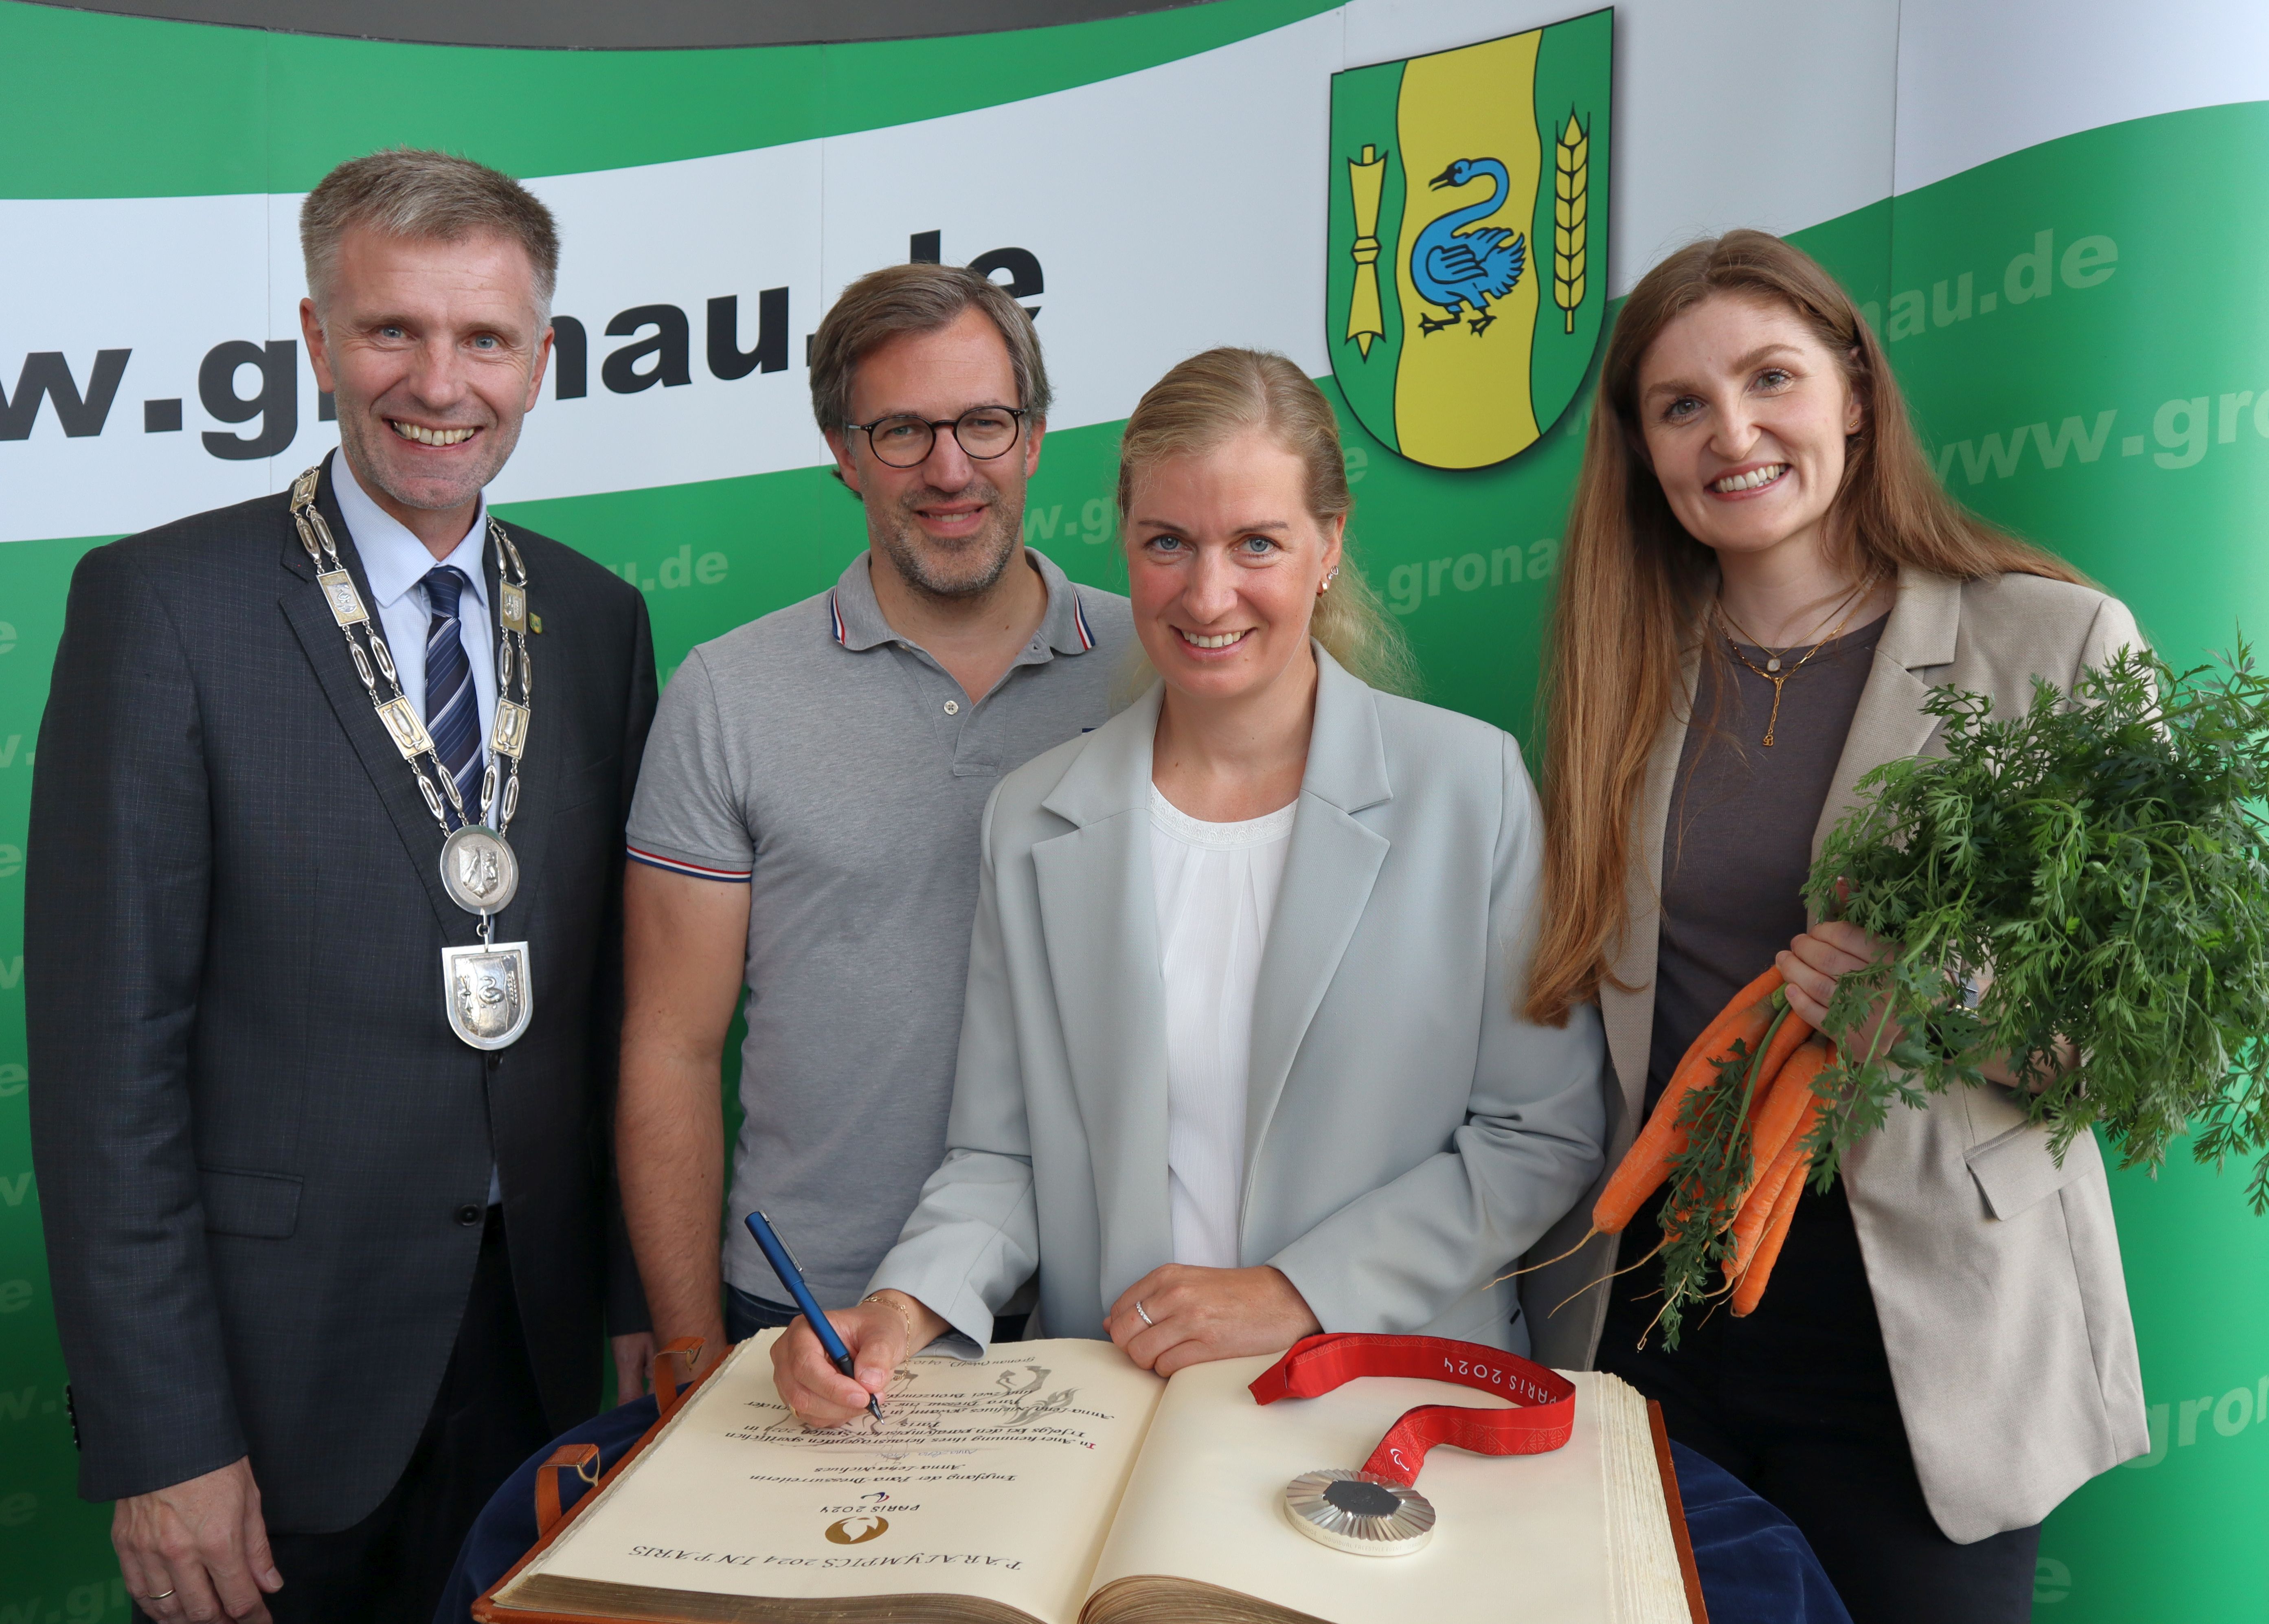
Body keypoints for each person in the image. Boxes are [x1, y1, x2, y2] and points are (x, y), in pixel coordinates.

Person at [27, 150, 656, 1624]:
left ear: (540, 361)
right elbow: (103, 1073)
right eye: (393, 331)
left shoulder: (598, 617)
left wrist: (640, 1309)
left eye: (485, 338)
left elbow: (629, 1009)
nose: (441, 381)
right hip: (269, 1387)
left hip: (542, 1359)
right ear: (315, 340)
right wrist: (166, 1434)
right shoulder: (162, 608)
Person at [773, 348, 1608, 1425]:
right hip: (1113, 1412)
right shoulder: (1032, 817)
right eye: (1167, 543)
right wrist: (901, 1305)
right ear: (1125, 543)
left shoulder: (1469, 786)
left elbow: (1536, 1132)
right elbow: (1001, 1154)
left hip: (1389, 1400)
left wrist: (1295, 1294)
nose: (1206, 593)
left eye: (1254, 542)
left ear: (1328, 546)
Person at [1516, 230, 2148, 1624]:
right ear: (1640, 447)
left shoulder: (2055, 644)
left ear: (1855, 393)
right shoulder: (1619, 672)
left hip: (1922, 1344)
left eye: (1769, 379)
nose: (1730, 433)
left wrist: (1938, 1014)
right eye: (1680, 405)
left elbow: (2143, 1055)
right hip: (1657, 1325)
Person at [615, 264, 1132, 1380]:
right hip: (812, 1307)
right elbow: (672, 1046)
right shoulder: (729, 693)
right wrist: (688, 1346)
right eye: (901, 431)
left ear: (1035, 437)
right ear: (844, 453)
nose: (950, 469)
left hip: (1109, 1304)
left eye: (984, 423)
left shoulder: (1159, 671)